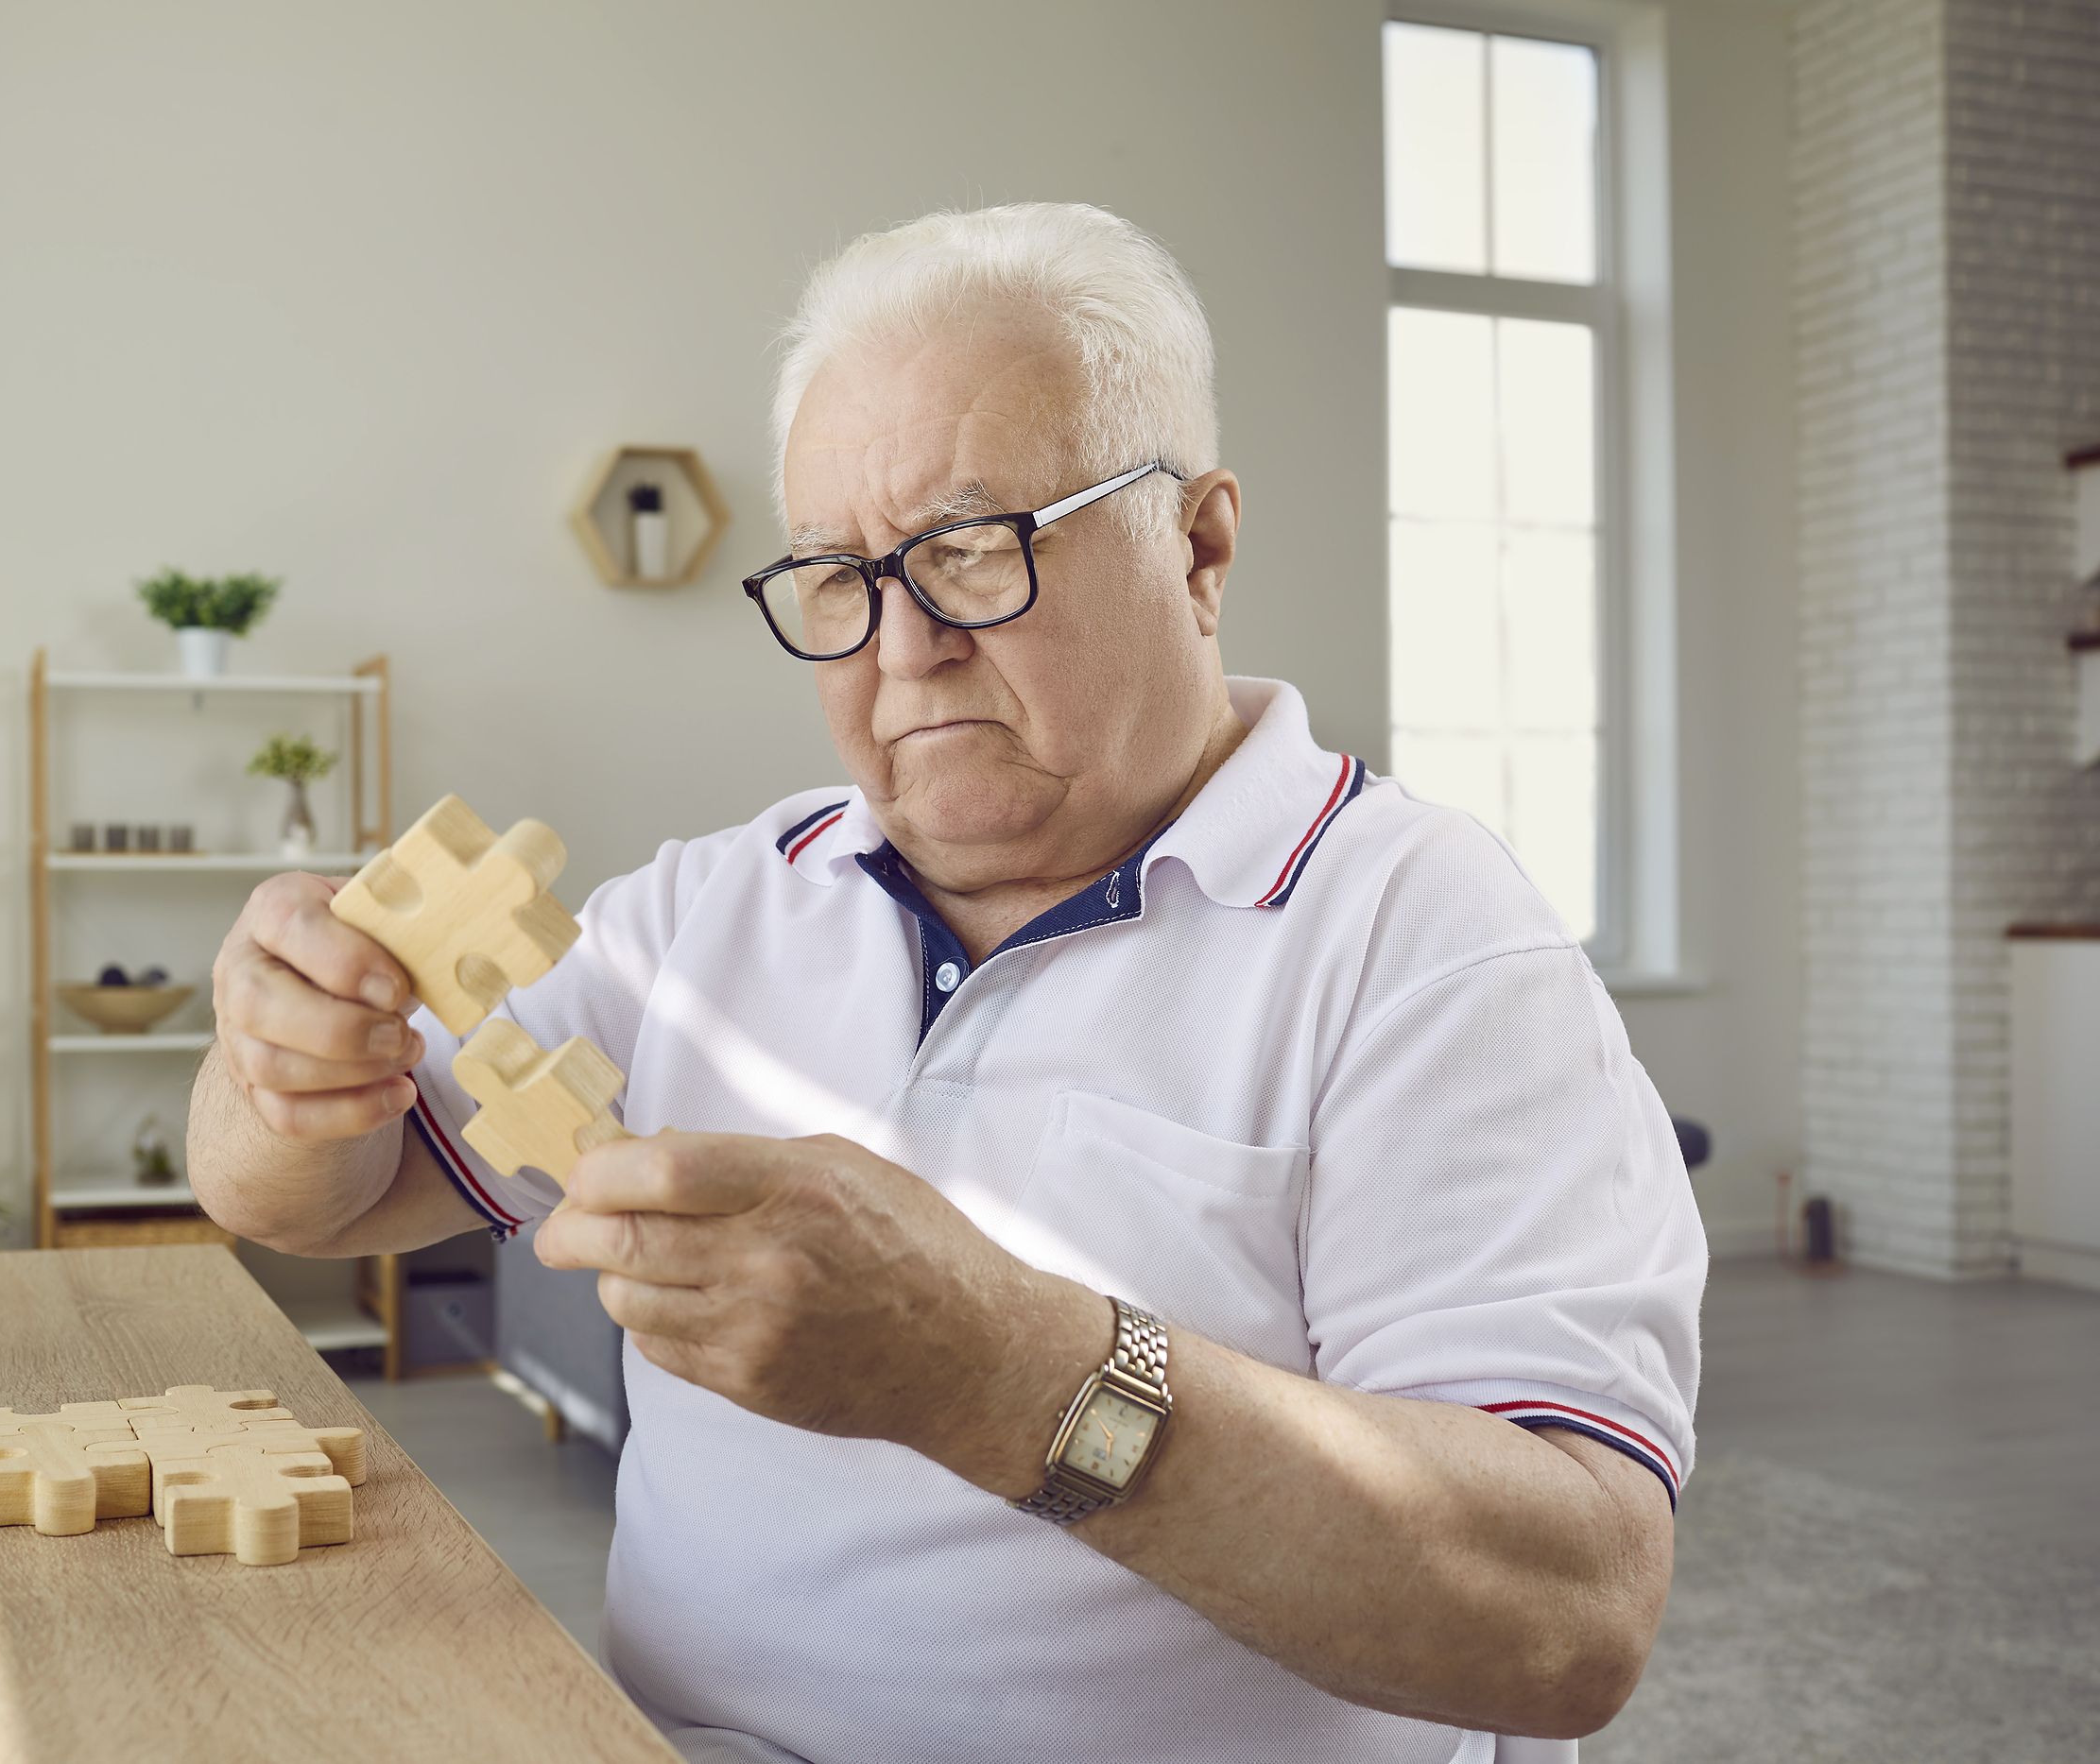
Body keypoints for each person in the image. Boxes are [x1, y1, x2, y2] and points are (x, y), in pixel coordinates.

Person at [188, 201, 1705, 1764]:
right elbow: (314, 1201)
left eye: (974, 550)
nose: (904, 645)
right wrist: (280, 1063)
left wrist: (996, 1371)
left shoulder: (1425, 940)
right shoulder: (714, 906)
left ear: (1197, 547)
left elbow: (1569, 1614)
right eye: (839, 579)